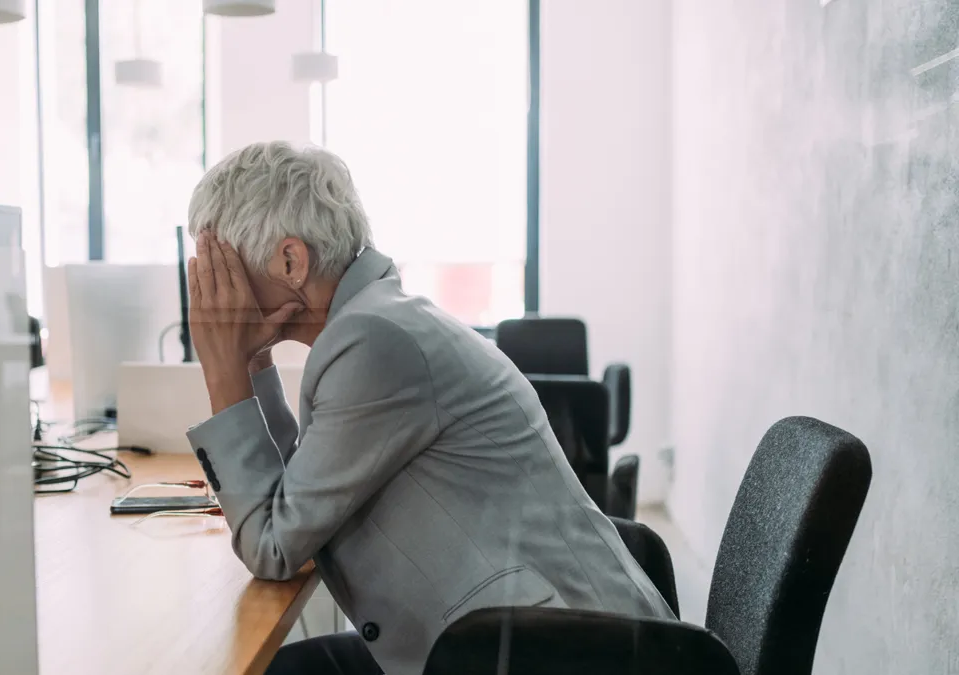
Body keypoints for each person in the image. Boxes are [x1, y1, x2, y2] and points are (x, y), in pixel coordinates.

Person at [184, 141, 674, 675]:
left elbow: (273, 547)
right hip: (518, 635)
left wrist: (222, 368)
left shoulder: (373, 342)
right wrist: (251, 360)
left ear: (290, 260)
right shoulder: (380, 322)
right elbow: (290, 498)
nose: (211, 295)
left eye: (219, 270)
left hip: (556, 656)